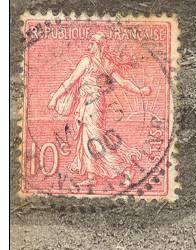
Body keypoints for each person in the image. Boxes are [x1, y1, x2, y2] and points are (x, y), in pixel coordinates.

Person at [48, 32, 152, 185]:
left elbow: (71, 81)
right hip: (88, 104)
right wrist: (140, 90)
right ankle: (91, 177)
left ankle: (126, 168)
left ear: (99, 45)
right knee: (87, 139)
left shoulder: (89, 61)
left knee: (96, 139)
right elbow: (122, 82)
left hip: (93, 105)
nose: (89, 45)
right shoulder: (103, 63)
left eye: (92, 42)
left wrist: (140, 91)